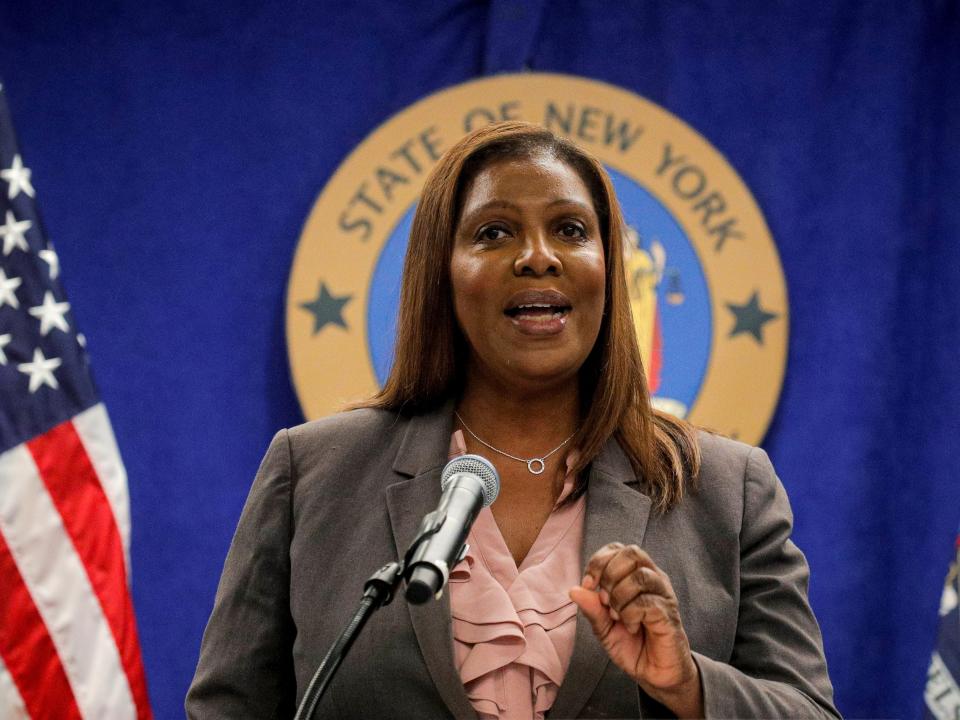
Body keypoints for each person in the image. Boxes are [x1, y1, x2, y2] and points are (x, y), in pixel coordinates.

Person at [186, 121, 839, 719]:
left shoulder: (725, 486)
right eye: (494, 233)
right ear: (441, 273)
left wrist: (688, 685)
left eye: (571, 231)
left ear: (610, 271)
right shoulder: (313, 472)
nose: (538, 256)